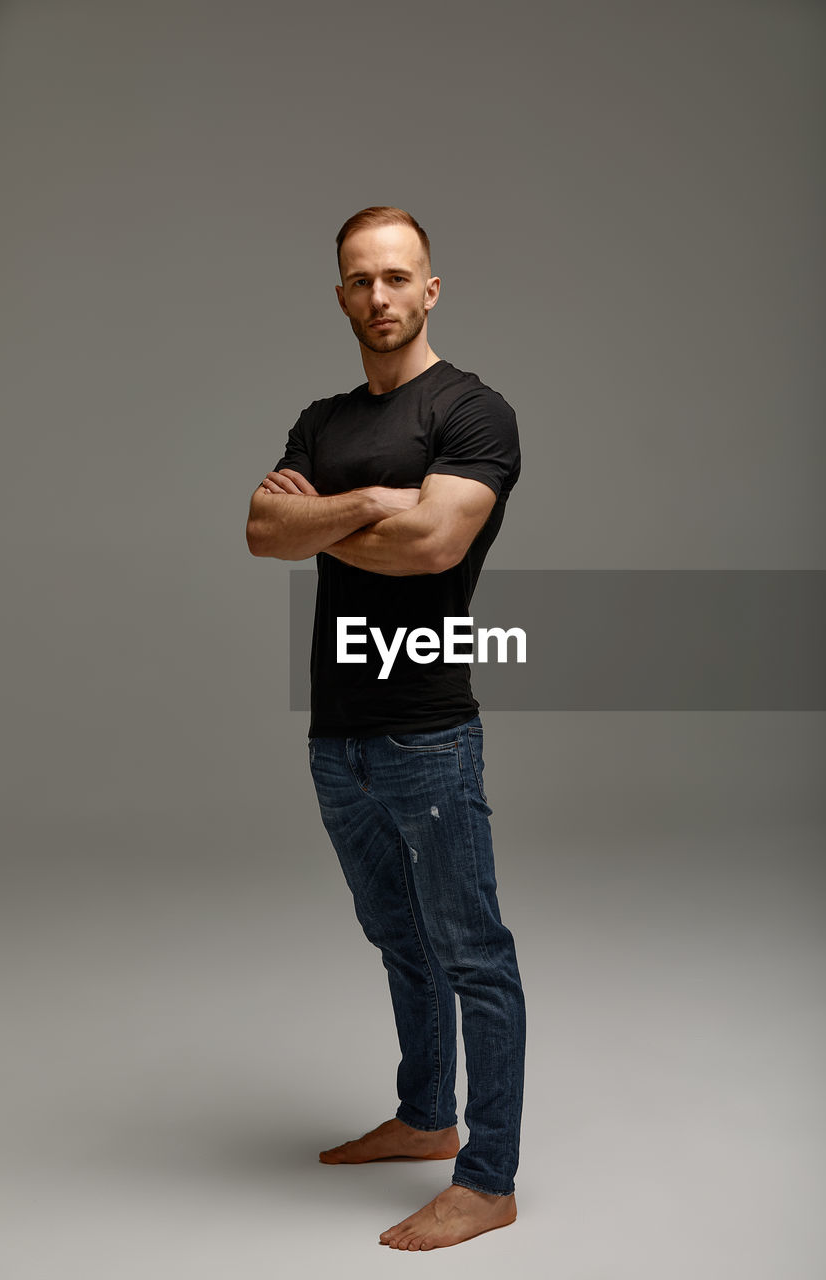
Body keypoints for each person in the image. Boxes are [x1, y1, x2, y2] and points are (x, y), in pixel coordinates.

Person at [245, 207, 526, 1251]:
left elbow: (433, 545)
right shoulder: (322, 422)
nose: (379, 296)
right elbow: (260, 530)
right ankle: (423, 1114)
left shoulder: (472, 410)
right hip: (338, 733)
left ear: (431, 290)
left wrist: (326, 519)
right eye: (360, 280)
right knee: (397, 938)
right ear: (341, 295)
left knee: (472, 952)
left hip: (425, 727)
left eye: (398, 277)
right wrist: (369, 497)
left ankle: (486, 1175)